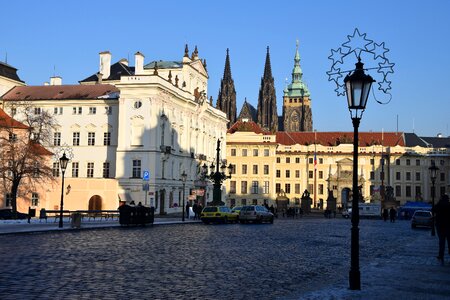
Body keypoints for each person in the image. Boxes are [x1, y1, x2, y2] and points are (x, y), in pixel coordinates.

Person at [433, 194, 450, 263]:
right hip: (449, 226)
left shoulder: (439, 205)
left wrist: (439, 202)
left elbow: (433, 209)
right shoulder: (449, 205)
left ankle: (441, 255)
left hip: (440, 226)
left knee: (441, 242)